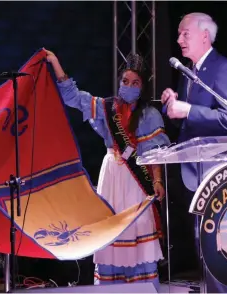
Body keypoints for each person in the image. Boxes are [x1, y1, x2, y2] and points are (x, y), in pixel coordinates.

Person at [45, 49, 170, 289]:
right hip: (112, 173)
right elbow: (73, 96)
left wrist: (157, 181)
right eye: (125, 81)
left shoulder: (150, 115)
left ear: (142, 87)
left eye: (135, 82)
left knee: (138, 227)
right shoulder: (106, 108)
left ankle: (142, 287)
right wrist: (55, 63)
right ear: (119, 82)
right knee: (111, 227)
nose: (129, 86)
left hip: (137, 179)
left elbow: (156, 154)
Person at [161, 12, 227, 293]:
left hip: (213, 172)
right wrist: (173, 106)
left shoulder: (223, 69)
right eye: (179, 33)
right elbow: (189, 122)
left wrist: (189, 110)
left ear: (204, 35)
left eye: (185, 34)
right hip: (192, 173)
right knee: (200, 242)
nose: (178, 39)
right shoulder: (189, 72)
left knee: (214, 243)